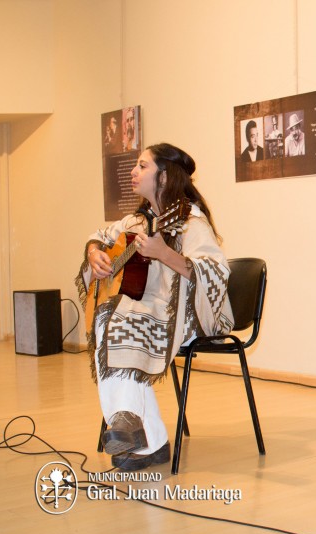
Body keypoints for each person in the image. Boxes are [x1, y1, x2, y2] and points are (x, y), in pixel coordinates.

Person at [77, 143, 234, 471]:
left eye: (142, 166)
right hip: (146, 315)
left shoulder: (191, 222)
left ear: (164, 177)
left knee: (120, 322)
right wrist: (95, 254)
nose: (134, 171)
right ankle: (142, 435)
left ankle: (134, 430)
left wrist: (165, 254)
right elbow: (97, 237)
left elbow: (216, 273)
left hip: (186, 318)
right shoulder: (135, 222)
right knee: (110, 320)